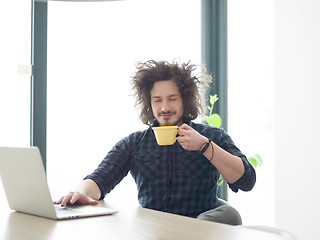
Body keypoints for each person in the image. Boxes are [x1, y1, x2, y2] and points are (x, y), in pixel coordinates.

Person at [55, 60, 256, 225]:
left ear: (185, 100)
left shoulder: (211, 136)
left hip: (200, 232)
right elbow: (100, 179)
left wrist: (204, 146)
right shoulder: (133, 143)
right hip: (152, 233)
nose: (165, 107)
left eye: (172, 99)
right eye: (157, 100)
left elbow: (246, 180)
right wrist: (79, 193)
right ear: (149, 103)